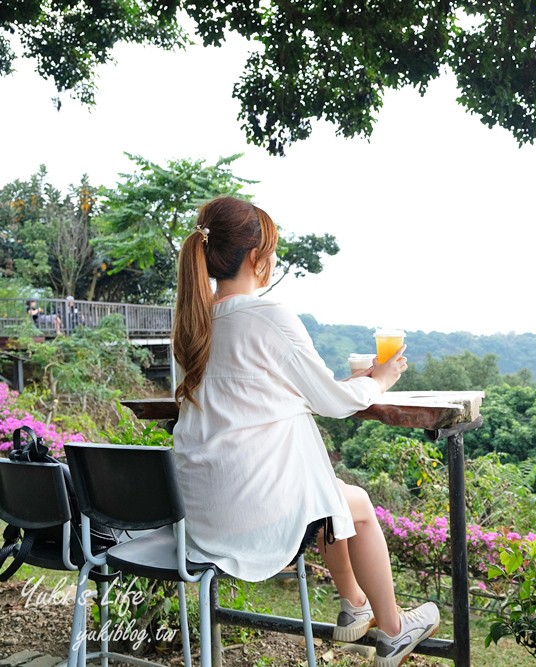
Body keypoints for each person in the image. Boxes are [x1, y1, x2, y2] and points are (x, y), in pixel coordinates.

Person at [170, 196, 439, 667]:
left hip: (198, 513)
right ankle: (394, 628)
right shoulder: (267, 316)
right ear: (257, 257)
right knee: (352, 506)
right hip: (247, 515)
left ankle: (355, 605)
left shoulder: (195, 322)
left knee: (331, 497)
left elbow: (251, 392)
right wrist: (380, 379)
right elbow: (332, 402)